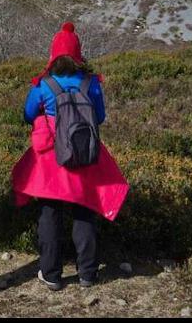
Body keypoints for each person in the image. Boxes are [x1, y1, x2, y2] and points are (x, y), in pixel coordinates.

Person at [11, 22, 128, 291]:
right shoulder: (91, 83)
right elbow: (99, 117)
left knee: (49, 213)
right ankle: (87, 273)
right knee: (84, 211)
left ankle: (51, 274)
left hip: (52, 158)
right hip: (84, 155)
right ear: (78, 53)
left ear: (53, 53)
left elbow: (28, 114)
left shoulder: (44, 84)